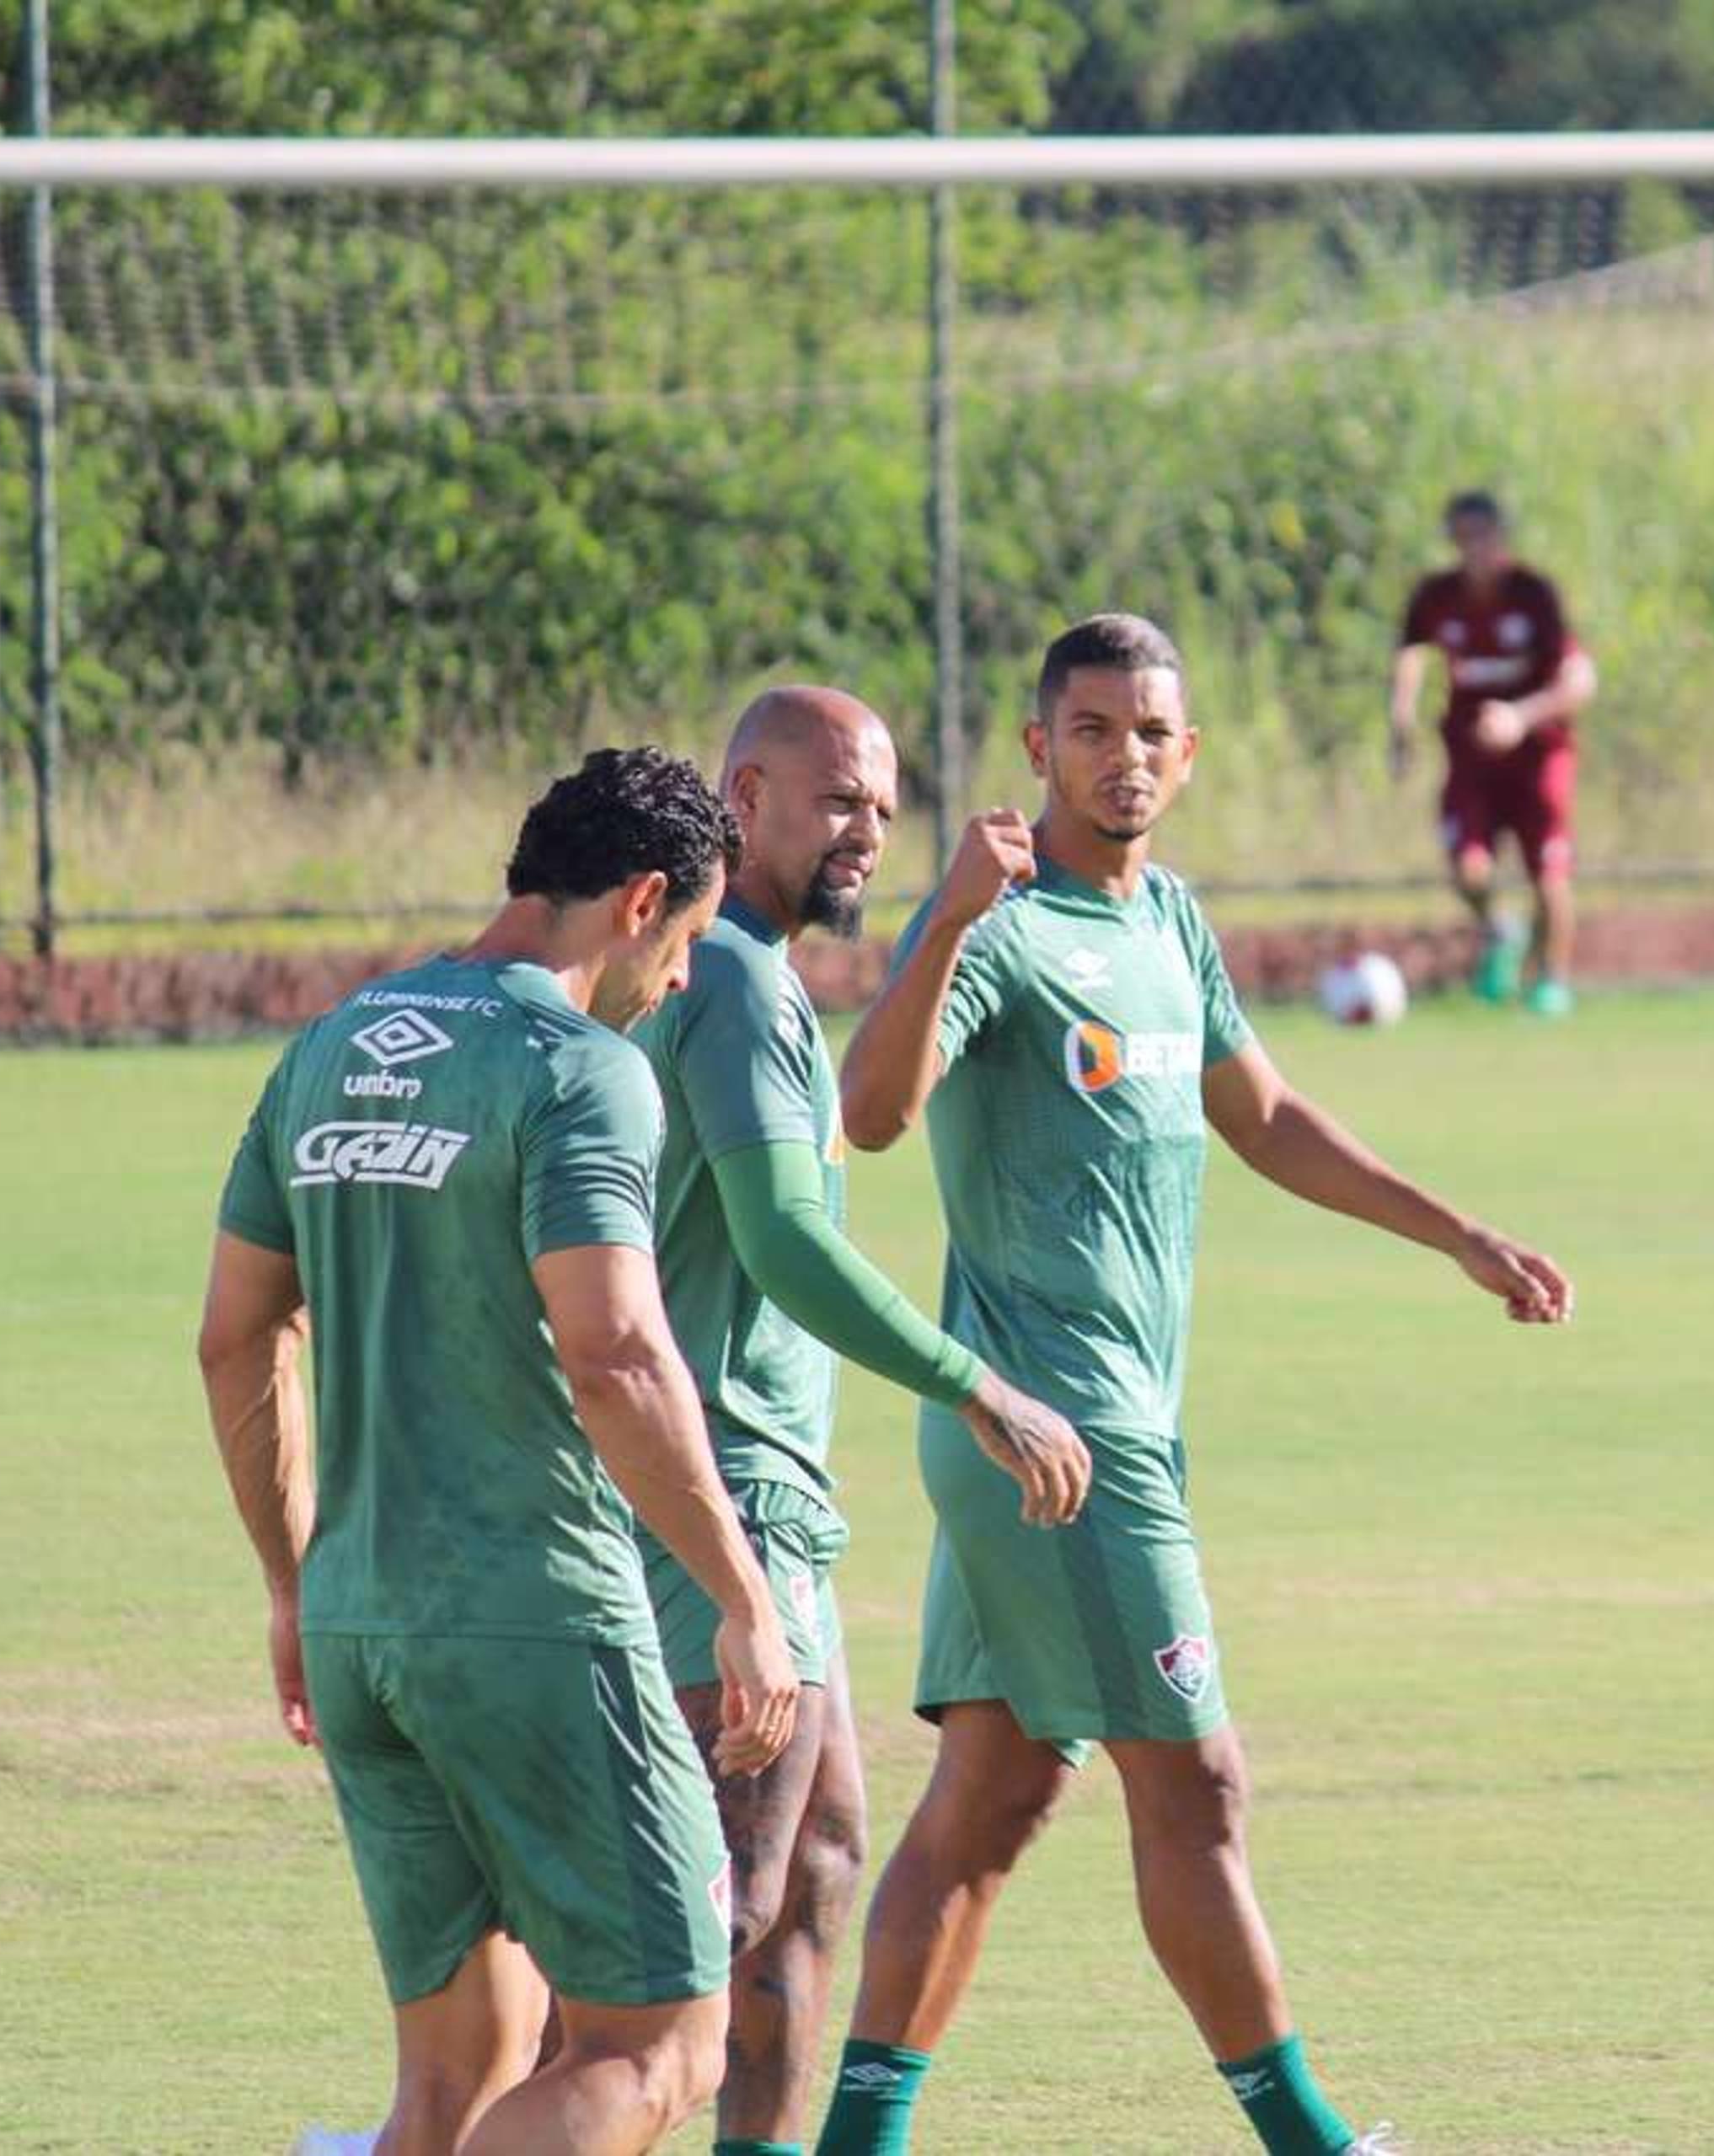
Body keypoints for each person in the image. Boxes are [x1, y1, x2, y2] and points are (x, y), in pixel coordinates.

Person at [811, 613, 1574, 2156]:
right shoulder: (1006, 924)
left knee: (990, 1801)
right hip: (1053, 1432)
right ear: (1039, 746)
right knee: (1200, 1784)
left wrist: (1458, 1232)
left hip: (1084, 1432)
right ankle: (1313, 2140)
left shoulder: (1169, 920)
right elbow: (873, 1114)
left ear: (1188, 749)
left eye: (1151, 731)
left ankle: (854, 2143)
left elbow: (1269, 1113)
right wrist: (950, 919)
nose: (1124, 756)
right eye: (1092, 728)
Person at [199, 747, 801, 2156]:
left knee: (461, 2066)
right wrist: (745, 1596)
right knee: (655, 2041)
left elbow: (235, 1339)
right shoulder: (581, 1068)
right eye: (693, 937)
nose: (687, 976)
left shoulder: (332, 1043)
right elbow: (620, 1355)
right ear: (642, 898)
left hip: (358, 1623)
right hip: (532, 1618)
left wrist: (293, 1587)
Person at [630, 686, 1095, 2156]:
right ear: (747, 793)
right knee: (709, 1908)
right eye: (839, 802)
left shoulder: (737, 972)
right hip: (727, 1489)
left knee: (820, 1858)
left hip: (771, 1485)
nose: (866, 835)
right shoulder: (735, 981)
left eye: (882, 810)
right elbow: (781, 1243)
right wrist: (981, 1383)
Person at [1385, 489, 1598, 1015]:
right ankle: (1501, 932)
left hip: (1538, 759)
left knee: (1548, 872)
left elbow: (1579, 681)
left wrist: (1519, 718)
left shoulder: (1533, 594)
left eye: (1482, 535)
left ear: (1501, 536)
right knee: (1468, 868)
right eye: (1461, 537)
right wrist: (1401, 723)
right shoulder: (1437, 595)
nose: (1472, 547)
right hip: (1471, 760)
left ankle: (1551, 981)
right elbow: (1411, 652)